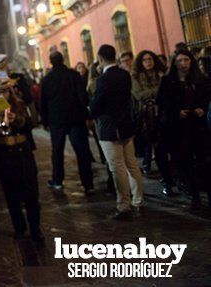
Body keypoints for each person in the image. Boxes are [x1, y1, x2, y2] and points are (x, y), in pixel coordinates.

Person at [0, 72, 42, 241]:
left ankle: (35, 227)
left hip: (22, 152)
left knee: (31, 192)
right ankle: (19, 227)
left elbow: (30, 125)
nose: (3, 95)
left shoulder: (19, 104)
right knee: (11, 194)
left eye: (6, 91)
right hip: (3, 154)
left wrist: (16, 119)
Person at [90, 45, 144, 219]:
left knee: (117, 168)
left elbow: (97, 105)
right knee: (132, 164)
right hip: (126, 125)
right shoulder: (124, 75)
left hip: (110, 128)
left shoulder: (103, 80)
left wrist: (90, 110)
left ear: (100, 58)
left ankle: (123, 205)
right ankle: (138, 200)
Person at [157, 49, 211, 210]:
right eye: (180, 60)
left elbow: (206, 95)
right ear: (175, 62)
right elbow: (162, 101)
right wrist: (176, 111)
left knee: (204, 162)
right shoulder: (168, 81)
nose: (183, 64)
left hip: (198, 126)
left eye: (186, 60)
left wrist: (201, 108)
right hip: (178, 128)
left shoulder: (199, 79)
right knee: (185, 162)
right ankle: (194, 196)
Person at [39, 51, 94, 193]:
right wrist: (86, 116)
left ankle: (57, 180)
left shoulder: (46, 80)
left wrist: (44, 121)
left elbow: (43, 103)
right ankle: (88, 184)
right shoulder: (74, 75)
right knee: (82, 152)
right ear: (63, 60)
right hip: (76, 119)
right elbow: (82, 97)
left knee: (57, 151)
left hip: (56, 120)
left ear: (51, 62)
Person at [131, 50, 173, 194]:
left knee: (172, 148)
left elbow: (167, 92)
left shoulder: (163, 74)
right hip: (148, 119)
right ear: (140, 63)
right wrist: (158, 89)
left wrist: (155, 92)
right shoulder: (135, 77)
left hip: (166, 115)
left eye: (150, 59)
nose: (148, 62)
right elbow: (139, 94)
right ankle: (167, 180)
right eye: (145, 60)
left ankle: (176, 177)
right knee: (159, 150)